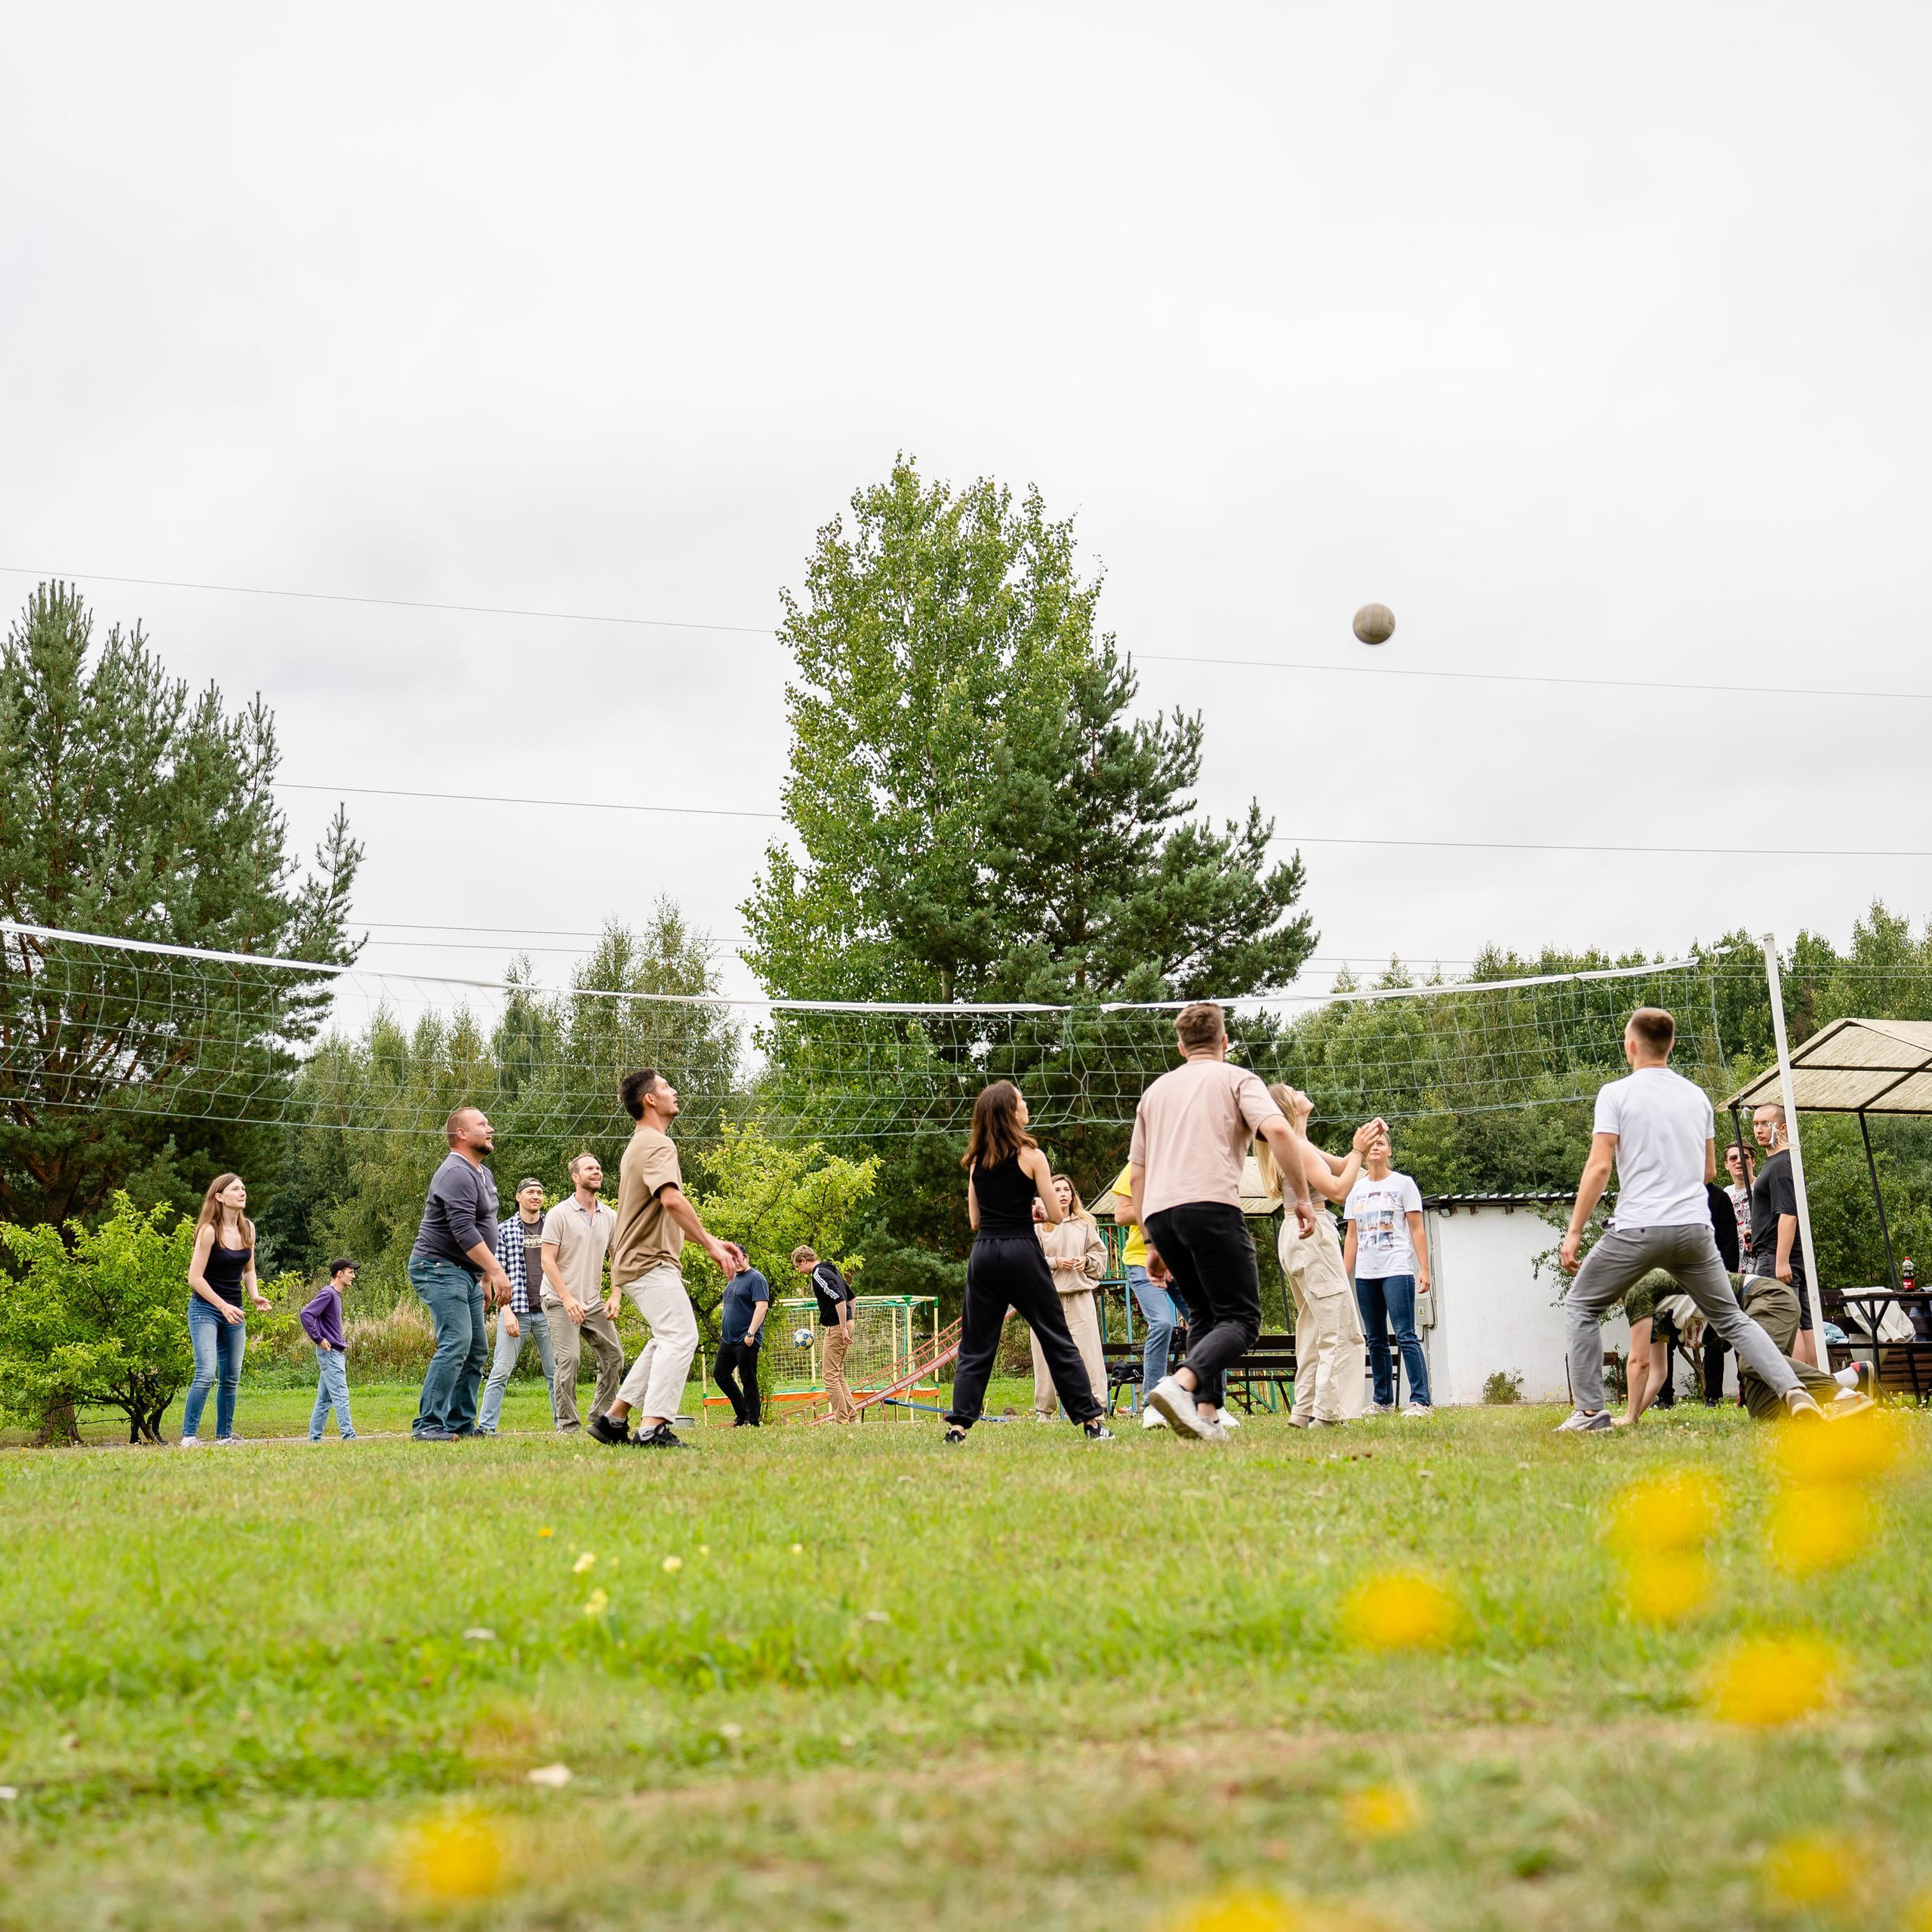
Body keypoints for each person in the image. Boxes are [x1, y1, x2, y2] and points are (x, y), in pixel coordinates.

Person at [1557, 1008, 1826, 1432]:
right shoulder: (1697, 1096)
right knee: (1733, 1320)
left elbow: (1599, 1167)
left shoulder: (1615, 1094)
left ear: (1631, 1046)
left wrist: (1574, 1233)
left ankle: (1590, 1413)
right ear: (1672, 1046)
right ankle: (1793, 1392)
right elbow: (1709, 1172)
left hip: (1638, 1227)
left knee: (1581, 1305)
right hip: (1694, 1231)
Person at [1126, 1001, 1318, 1444]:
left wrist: (1152, 1241)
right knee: (1242, 1320)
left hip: (1160, 1213)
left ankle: (1208, 1415)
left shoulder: (1155, 1092)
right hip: (1210, 1205)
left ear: (1180, 1046)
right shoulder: (1237, 1078)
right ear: (1225, 1042)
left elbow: (1138, 1172)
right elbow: (1282, 1133)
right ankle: (1180, 1384)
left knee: (1205, 1315)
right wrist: (1303, 1197)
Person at [946, 1081, 1113, 1442]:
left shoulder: (976, 1162)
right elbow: (1055, 1213)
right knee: (1055, 1335)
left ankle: (958, 1426)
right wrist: (1035, 1211)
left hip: (985, 1253)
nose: (1026, 1106)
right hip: (1022, 1250)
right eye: (1022, 1102)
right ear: (1011, 1112)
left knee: (975, 1343)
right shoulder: (1032, 1156)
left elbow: (975, 1220)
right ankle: (1091, 1423)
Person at [592, 1069, 744, 1450]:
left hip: (635, 1261)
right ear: (650, 1100)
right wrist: (710, 1245)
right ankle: (653, 1427)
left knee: (666, 1338)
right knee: (681, 1336)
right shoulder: (658, 1144)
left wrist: (710, 1238)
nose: (673, 1091)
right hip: (648, 1260)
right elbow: (672, 1199)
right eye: (665, 1087)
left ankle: (614, 1419)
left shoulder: (640, 1143)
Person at [1256, 1089, 1380, 1429]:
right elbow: (1339, 1191)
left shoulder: (1296, 1144)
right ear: (1288, 1108)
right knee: (1340, 1328)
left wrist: (1364, 1147)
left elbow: (1343, 1168)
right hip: (1313, 1233)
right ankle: (1327, 1415)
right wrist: (1357, 1150)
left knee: (1312, 1327)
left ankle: (1303, 1410)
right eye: (1294, 1092)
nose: (1302, 1091)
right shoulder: (1298, 1146)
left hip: (1293, 1234)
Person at [408, 1107, 512, 1441]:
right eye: (482, 1124)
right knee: (456, 1342)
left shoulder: (483, 1173)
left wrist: (482, 1278)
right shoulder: (456, 1172)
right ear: (462, 1135)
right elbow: (464, 1230)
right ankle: (428, 1425)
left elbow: (485, 1228)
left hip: (465, 1273)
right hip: (437, 1266)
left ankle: (460, 1424)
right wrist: (496, 1272)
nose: (490, 1127)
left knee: (476, 1348)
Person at [1343, 1128, 1433, 1417]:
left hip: (1396, 1269)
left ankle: (1420, 1401)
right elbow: (1352, 1237)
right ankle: (1382, 1401)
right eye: (1372, 1143)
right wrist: (1344, 1274)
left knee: (1405, 1334)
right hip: (1365, 1274)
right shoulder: (1356, 1190)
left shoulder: (1403, 1184)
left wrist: (1424, 1269)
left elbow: (1417, 1228)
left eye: (1382, 1143)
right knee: (1375, 1338)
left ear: (1389, 1151)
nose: (1376, 1147)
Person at [181, 1173, 272, 1446]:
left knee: (231, 1377)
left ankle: (224, 1436)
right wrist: (222, 1305)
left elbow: (249, 1269)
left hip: (235, 1311)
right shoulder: (209, 1231)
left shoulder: (248, 1229)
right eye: (235, 1189)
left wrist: (254, 1295)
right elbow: (194, 1278)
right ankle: (189, 1437)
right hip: (205, 1309)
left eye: (244, 1188)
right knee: (207, 1372)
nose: (242, 1192)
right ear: (220, 1197)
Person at [540, 1154, 624, 1434]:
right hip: (558, 1299)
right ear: (576, 1177)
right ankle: (568, 1425)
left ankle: (602, 1416)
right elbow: (547, 1260)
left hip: (593, 1302)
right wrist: (566, 1298)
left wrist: (615, 1295)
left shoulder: (610, 1216)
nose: (597, 1172)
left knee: (614, 1356)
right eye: (590, 1168)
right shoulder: (559, 1214)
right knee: (570, 1360)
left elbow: (618, 1258)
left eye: (599, 1168)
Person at [1109, 1161, 1191, 1426]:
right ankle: (1151, 1405)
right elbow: (1121, 1215)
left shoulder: (1188, 1161)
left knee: (1209, 1323)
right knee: (1163, 1323)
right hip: (1142, 1260)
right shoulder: (1137, 1166)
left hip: (1182, 1261)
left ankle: (1213, 1401)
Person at [477, 1178, 559, 1435]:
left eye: (540, 1192)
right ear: (518, 1197)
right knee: (500, 1371)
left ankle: (564, 1426)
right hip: (516, 1312)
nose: (536, 1196)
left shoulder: (553, 1227)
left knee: (557, 1374)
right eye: (531, 1192)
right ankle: (487, 1428)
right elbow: (497, 1272)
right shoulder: (504, 1230)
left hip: (548, 1310)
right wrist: (506, 1311)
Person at [1029, 1174, 1108, 1420]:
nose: (1063, 1194)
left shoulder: (1085, 1224)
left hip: (1080, 1297)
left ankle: (1097, 1409)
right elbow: (1029, 1263)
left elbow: (1100, 1260)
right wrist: (1055, 1262)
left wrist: (1085, 1261)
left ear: (1073, 1195)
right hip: (1046, 1300)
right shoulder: (1038, 1227)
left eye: (1067, 1189)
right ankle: (1044, 1411)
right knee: (1044, 1355)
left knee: (1089, 1355)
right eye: (1057, 1190)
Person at [1752, 1103, 1820, 1366]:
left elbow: (1788, 1215)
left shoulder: (1780, 1164)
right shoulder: (1781, 1162)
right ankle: (1817, 1389)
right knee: (1804, 1324)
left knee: (1785, 1325)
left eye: (1765, 1124)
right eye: (1756, 1124)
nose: (1758, 1130)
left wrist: (1780, 1260)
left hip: (1778, 1257)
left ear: (1782, 1127)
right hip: (1789, 1254)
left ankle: (1797, 1389)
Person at [794, 1244, 858, 1423]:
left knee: (829, 1377)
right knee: (838, 1374)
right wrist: (850, 1321)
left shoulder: (819, 1274)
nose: (799, 1271)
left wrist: (844, 1327)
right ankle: (852, 1418)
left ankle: (843, 1420)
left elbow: (839, 1299)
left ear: (804, 1260)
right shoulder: (832, 1270)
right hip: (846, 1324)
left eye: (798, 1266)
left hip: (837, 1327)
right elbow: (852, 1298)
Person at [300, 1257, 358, 1443]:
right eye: (350, 1272)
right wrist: (318, 1338)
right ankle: (349, 1437)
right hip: (331, 1354)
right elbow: (306, 1314)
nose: (353, 1276)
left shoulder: (335, 1296)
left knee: (324, 1400)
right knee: (341, 1395)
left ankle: (313, 1439)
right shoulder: (329, 1293)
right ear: (339, 1274)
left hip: (334, 1353)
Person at [714, 1250, 771, 1426]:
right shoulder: (732, 1279)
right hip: (728, 1339)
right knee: (720, 1375)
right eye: (733, 1260)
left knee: (748, 1380)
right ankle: (742, 1414)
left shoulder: (757, 1278)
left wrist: (751, 1333)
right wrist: (723, 1330)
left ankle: (753, 1421)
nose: (737, 1263)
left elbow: (762, 1306)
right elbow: (729, 1305)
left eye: (740, 1259)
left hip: (746, 1339)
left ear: (747, 1257)